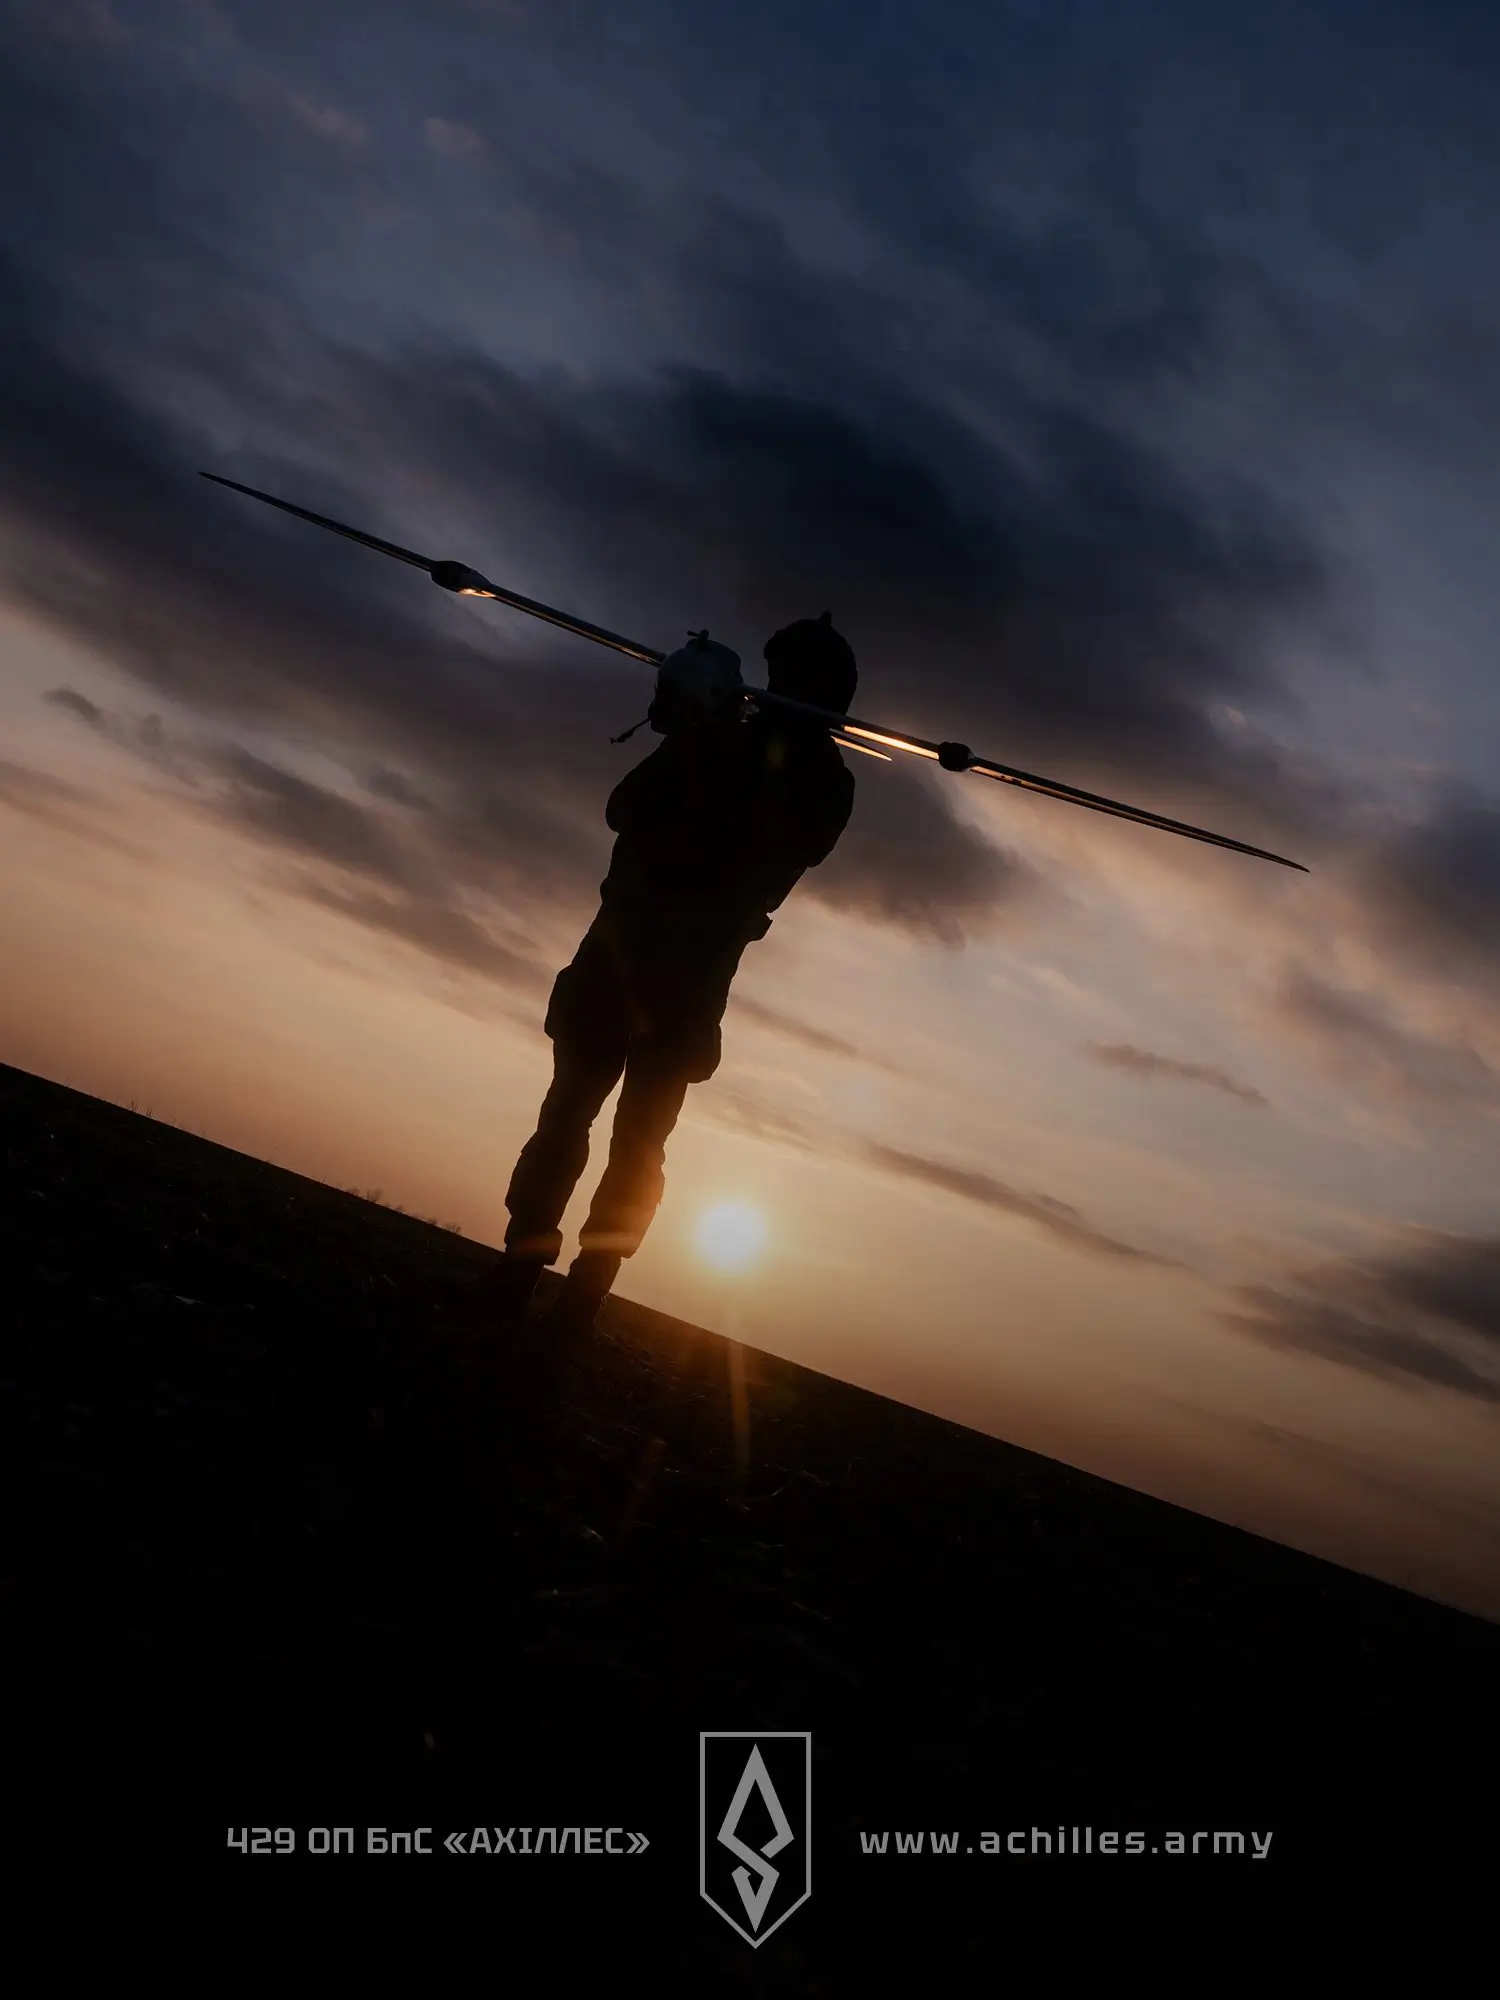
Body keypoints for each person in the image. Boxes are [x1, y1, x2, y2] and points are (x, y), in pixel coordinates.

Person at [474, 612, 859, 1341]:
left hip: (688, 985)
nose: (782, 687)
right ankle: (518, 1269)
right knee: (563, 1122)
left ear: (832, 696)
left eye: (802, 680)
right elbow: (624, 809)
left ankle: (582, 1303)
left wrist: (710, 741)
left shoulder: (825, 783)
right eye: (778, 673)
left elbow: (775, 859)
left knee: (637, 1150)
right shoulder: (714, 734)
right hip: (616, 957)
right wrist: (685, 731)